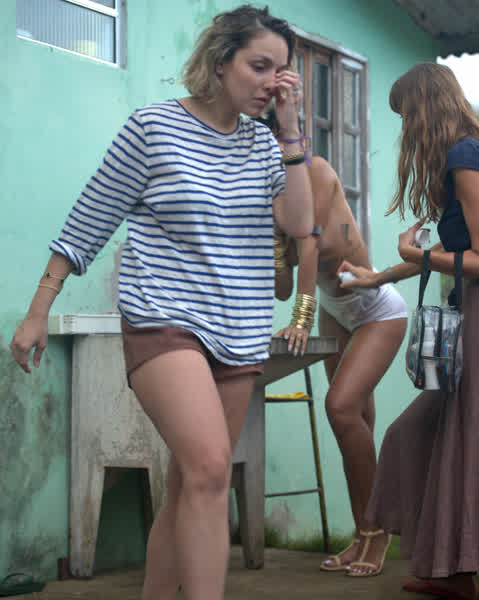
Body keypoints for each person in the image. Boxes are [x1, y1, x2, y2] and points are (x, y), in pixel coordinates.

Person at [9, 6, 314, 600]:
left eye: (282, 72)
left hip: (240, 330)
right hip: (165, 320)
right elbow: (88, 221)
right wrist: (38, 310)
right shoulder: (153, 128)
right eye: (259, 66)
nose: (272, 82)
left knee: (191, 488)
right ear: (221, 61)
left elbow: (301, 224)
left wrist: (291, 128)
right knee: (210, 468)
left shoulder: (264, 145)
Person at [340, 62, 479, 600]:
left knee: (459, 439)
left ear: (424, 109)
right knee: (412, 434)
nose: (405, 130)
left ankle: (457, 569)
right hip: (465, 314)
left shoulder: (464, 154)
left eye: (405, 116)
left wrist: (417, 255)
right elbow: (452, 250)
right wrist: (380, 276)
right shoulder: (464, 157)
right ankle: (452, 569)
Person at [260, 105, 408, 576]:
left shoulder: (315, 171)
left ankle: (379, 532)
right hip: (336, 309)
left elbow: (309, 245)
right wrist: (273, 248)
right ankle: (362, 532)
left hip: (376, 308)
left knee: (340, 408)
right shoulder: (269, 194)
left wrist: (299, 320)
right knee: (352, 424)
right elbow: (282, 283)